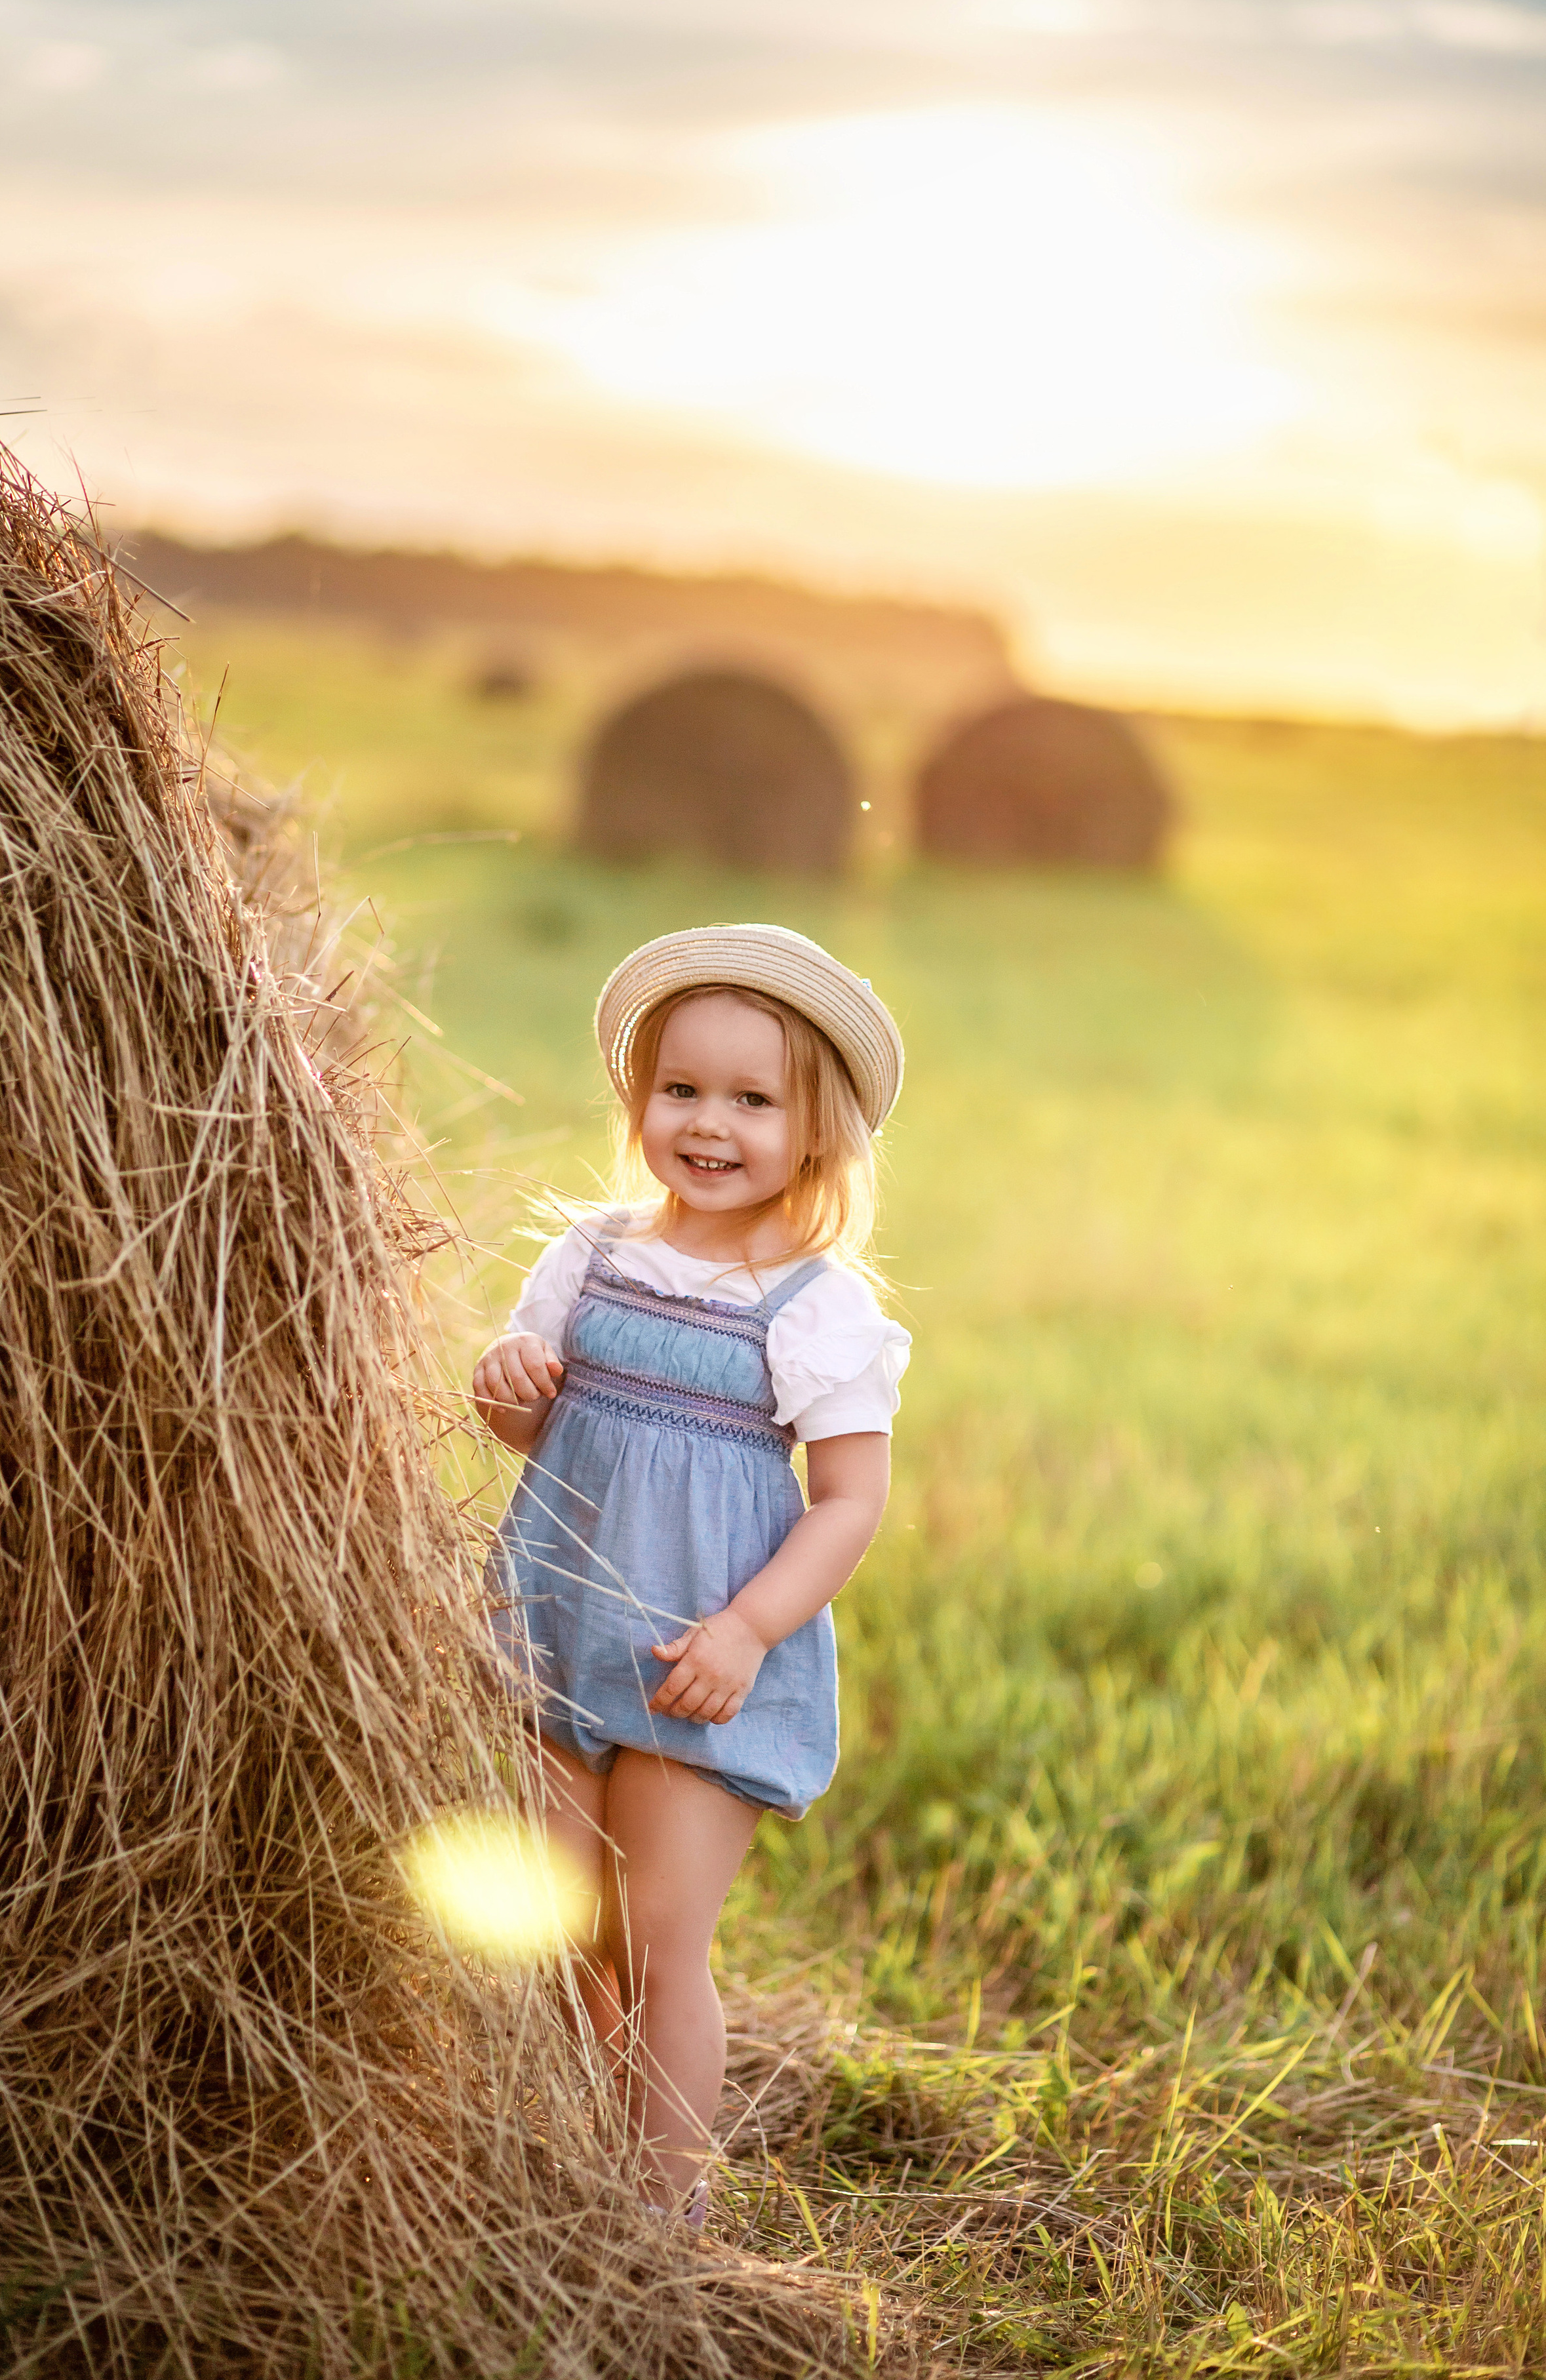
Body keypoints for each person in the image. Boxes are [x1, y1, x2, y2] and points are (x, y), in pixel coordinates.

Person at [472, 923, 909, 2226]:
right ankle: (571, 2174)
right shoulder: (589, 1257)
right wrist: (507, 1386)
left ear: (813, 1130)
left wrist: (744, 1631)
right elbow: (535, 1429)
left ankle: (662, 2226)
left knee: (658, 1940)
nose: (708, 1124)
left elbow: (848, 1505)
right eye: (681, 1090)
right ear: (638, 1101)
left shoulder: (813, 1306)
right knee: (556, 1934)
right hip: (550, 1627)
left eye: (751, 1100)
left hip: (694, 1660)